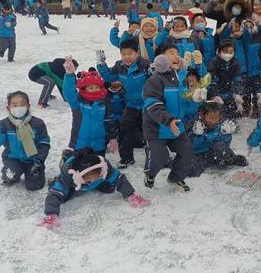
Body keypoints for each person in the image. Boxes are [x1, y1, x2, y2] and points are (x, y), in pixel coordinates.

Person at [41, 148, 149, 228]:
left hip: (91, 179)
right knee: (62, 196)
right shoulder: (68, 175)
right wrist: (51, 213)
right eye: (90, 179)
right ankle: (66, 156)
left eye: (97, 177)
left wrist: (131, 195)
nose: (94, 179)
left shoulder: (103, 167)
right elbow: (55, 194)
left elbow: (119, 178)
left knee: (109, 188)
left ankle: (93, 182)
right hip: (75, 183)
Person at [142, 44, 193, 192]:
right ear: (161, 59)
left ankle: (175, 177)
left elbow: (186, 106)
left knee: (187, 152)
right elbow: (153, 105)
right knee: (160, 157)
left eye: (178, 54)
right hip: (157, 127)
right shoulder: (155, 80)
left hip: (176, 125)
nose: (177, 56)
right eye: (172, 53)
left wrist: (195, 100)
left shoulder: (181, 78)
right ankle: (150, 174)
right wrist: (168, 120)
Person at [96, 39, 152, 168]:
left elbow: (155, 81)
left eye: (130, 53)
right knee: (124, 129)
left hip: (147, 105)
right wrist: (101, 64)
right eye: (123, 54)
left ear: (137, 53)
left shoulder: (145, 65)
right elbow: (110, 77)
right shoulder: (119, 66)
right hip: (131, 104)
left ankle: (153, 159)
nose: (126, 57)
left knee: (149, 131)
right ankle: (126, 158)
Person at [0, 91, 50, 190]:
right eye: (14, 105)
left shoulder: (38, 123)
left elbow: (44, 142)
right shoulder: (4, 124)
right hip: (13, 159)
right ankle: (12, 172)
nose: (18, 108)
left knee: (34, 186)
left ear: (28, 106)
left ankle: (34, 172)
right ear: (8, 108)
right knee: (10, 176)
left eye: (22, 105)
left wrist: (39, 160)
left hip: (33, 160)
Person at [63, 58, 118, 156]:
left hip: (99, 144)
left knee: (98, 168)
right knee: (80, 168)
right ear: (84, 88)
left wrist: (113, 138)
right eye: (91, 88)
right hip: (80, 144)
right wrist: (70, 74)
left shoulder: (104, 102)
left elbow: (110, 121)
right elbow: (69, 92)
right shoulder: (78, 103)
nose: (95, 90)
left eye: (97, 87)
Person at [186, 101, 247, 177]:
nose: (213, 121)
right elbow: (191, 146)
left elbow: (226, 143)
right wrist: (198, 136)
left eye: (216, 118)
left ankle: (233, 159)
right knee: (191, 170)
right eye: (211, 118)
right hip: (199, 155)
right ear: (202, 115)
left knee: (223, 151)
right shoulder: (195, 125)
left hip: (215, 154)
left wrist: (225, 133)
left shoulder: (222, 125)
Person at [207, 40, 244, 119]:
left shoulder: (235, 63)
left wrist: (237, 94)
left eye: (231, 52)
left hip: (230, 94)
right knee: (219, 117)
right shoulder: (213, 63)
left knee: (232, 118)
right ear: (219, 51)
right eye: (225, 52)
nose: (228, 55)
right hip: (218, 95)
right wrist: (214, 95)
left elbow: (237, 79)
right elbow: (213, 81)